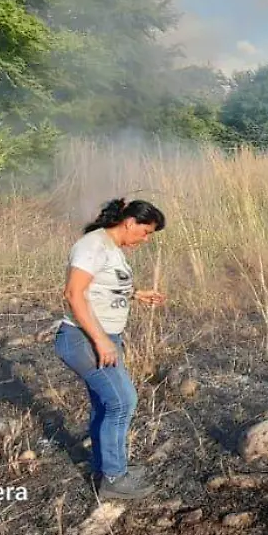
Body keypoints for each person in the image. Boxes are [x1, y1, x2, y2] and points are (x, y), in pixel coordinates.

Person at [55, 198, 166, 501]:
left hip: (105, 337)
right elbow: (73, 294)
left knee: (106, 405)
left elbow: (104, 286)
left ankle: (108, 467)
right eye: (145, 232)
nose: (145, 240)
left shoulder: (111, 248)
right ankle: (114, 480)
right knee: (122, 403)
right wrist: (101, 340)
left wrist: (137, 295)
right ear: (130, 222)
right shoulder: (92, 245)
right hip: (84, 337)